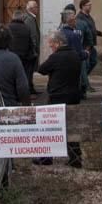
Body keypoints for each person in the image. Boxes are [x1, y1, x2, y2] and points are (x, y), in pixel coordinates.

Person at [35, 30, 83, 168]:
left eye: (52, 44)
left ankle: (46, 157)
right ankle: (75, 158)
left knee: (50, 126)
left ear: (58, 43)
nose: (51, 47)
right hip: (74, 95)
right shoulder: (75, 55)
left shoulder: (56, 57)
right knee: (72, 126)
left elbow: (41, 69)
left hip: (57, 96)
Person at [77, 0, 102, 91]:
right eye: (88, 5)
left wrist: (100, 33)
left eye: (90, 5)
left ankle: (83, 79)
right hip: (85, 45)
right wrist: (86, 46)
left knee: (93, 62)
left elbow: (92, 29)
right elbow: (83, 31)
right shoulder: (80, 18)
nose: (90, 7)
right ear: (82, 6)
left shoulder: (88, 16)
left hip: (91, 44)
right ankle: (85, 85)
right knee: (85, 65)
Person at [8, 10, 35, 77]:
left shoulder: (8, 27)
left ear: (13, 17)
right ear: (22, 18)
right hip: (24, 58)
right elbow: (30, 43)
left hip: (11, 57)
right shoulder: (27, 28)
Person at [24, 0, 41, 94]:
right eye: (36, 7)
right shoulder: (30, 19)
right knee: (29, 71)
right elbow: (32, 35)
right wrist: (34, 50)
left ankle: (31, 87)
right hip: (31, 51)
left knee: (30, 71)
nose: (37, 9)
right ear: (31, 8)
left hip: (31, 50)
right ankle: (29, 89)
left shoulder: (31, 18)